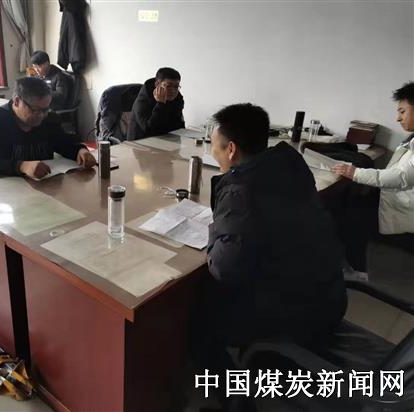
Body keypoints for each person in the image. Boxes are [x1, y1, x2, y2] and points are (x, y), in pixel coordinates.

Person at [193, 103, 347, 376]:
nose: (212, 152)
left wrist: (215, 227)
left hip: (292, 314)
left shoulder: (241, 190)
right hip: (329, 296)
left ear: (231, 149)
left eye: (214, 146)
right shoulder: (289, 165)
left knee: (197, 311)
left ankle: (229, 387)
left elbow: (224, 269)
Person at [333, 82, 414, 277]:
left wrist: (355, 173)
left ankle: (358, 271)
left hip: (405, 207)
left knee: (353, 212)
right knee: (350, 200)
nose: (398, 118)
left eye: (402, 111)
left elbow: (401, 177)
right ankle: (351, 264)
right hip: (399, 199)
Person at [0, 77, 95, 179]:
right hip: (4, 186)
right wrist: (22, 166)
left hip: (44, 183)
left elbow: (63, 144)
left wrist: (80, 151)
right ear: (17, 101)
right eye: (36, 110)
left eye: (46, 109)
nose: (42, 115)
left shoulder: (49, 119)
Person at [127, 67, 185, 140]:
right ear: (157, 84)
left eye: (176, 86)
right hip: (140, 141)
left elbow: (178, 126)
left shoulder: (177, 98)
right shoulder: (142, 100)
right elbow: (150, 130)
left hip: (166, 139)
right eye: (168, 86)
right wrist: (160, 104)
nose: (173, 91)